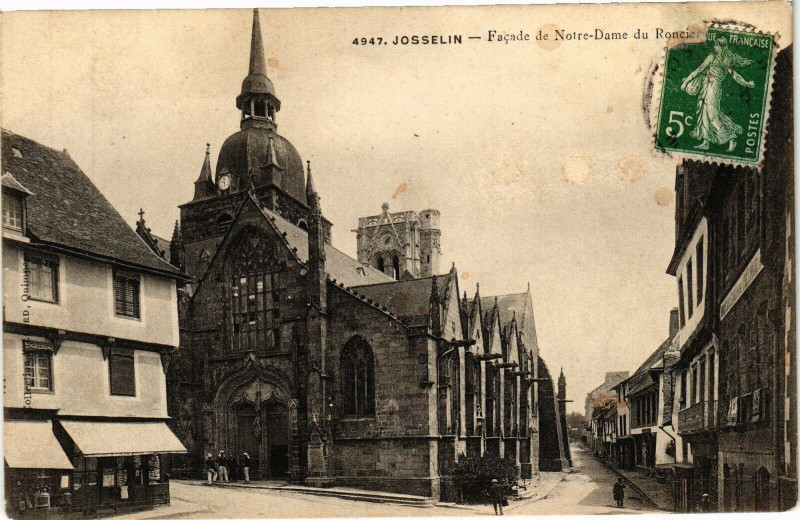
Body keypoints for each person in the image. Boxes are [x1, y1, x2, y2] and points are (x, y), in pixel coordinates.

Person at [680, 37, 754, 152]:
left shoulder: (715, 58)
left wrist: (685, 83)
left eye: (716, 44)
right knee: (704, 113)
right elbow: (735, 75)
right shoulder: (722, 59)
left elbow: (699, 70)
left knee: (712, 114)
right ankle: (706, 142)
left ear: (721, 46)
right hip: (708, 87)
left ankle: (731, 137)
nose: (714, 46)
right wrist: (747, 83)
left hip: (713, 88)